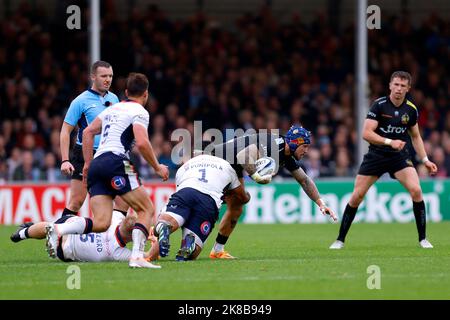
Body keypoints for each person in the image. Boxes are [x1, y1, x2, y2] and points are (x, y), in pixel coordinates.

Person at [45, 72, 169, 268]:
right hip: (117, 161)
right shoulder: (140, 112)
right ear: (145, 94)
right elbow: (143, 143)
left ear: (126, 92)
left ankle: (59, 229)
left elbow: (87, 131)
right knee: (146, 209)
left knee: (102, 222)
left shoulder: (113, 108)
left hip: (97, 163)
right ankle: (137, 257)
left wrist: (87, 163)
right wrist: (157, 167)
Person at [329, 71, 438, 250]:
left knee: (416, 191)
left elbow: (416, 136)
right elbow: (366, 133)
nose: (398, 89)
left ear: (408, 88)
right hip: (377, 155)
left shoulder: (411, 109)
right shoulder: (379, 105)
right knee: (357, 197)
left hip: (399, 157)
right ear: (390, 85)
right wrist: (389, 141)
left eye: (403, 86)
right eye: (396, 84)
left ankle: (423, 239)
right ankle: (340, 240)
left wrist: (425, 159)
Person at [208, 126, 337, 259]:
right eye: (304, 146)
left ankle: (217, 250)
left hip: (233, 166)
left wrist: (320, 203)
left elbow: (304, 180)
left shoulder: (286, 155)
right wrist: (257, 177)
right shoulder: (272, 145)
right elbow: (243, 156)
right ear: (294, 142)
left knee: (239, 202)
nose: (306, 150)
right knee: (220, 202)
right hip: (216, 162)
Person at [148, 147, 250, 262]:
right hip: (208, 202)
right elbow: (241, 197)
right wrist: (244, 196)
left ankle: (164, 226)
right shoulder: (226, 166)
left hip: (185, 192)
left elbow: (181, 190)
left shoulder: (184, 167)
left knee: (168, 220)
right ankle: (189, 244)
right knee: (193, 255)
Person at [59, 60, 128, 217]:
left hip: (108, 154)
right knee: (76, 201)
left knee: (122, 201)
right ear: (93, 77)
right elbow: (65, 130)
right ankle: (60, 238)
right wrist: (65, 159)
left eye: (110, 76)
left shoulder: (115, 99)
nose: (108, 79)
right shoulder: (80, 101)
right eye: (103, 76)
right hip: (84, 154)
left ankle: (114, 240)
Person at [10, 211, 157, 263]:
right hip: (64, 251)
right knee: (51, 228)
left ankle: (22, 233)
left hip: (69, 224)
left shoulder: (115, 218)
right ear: (132, 237)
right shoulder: (118, 252)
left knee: (52, 226)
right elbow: (150, 256)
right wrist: (156, 240)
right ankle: (26, 231)